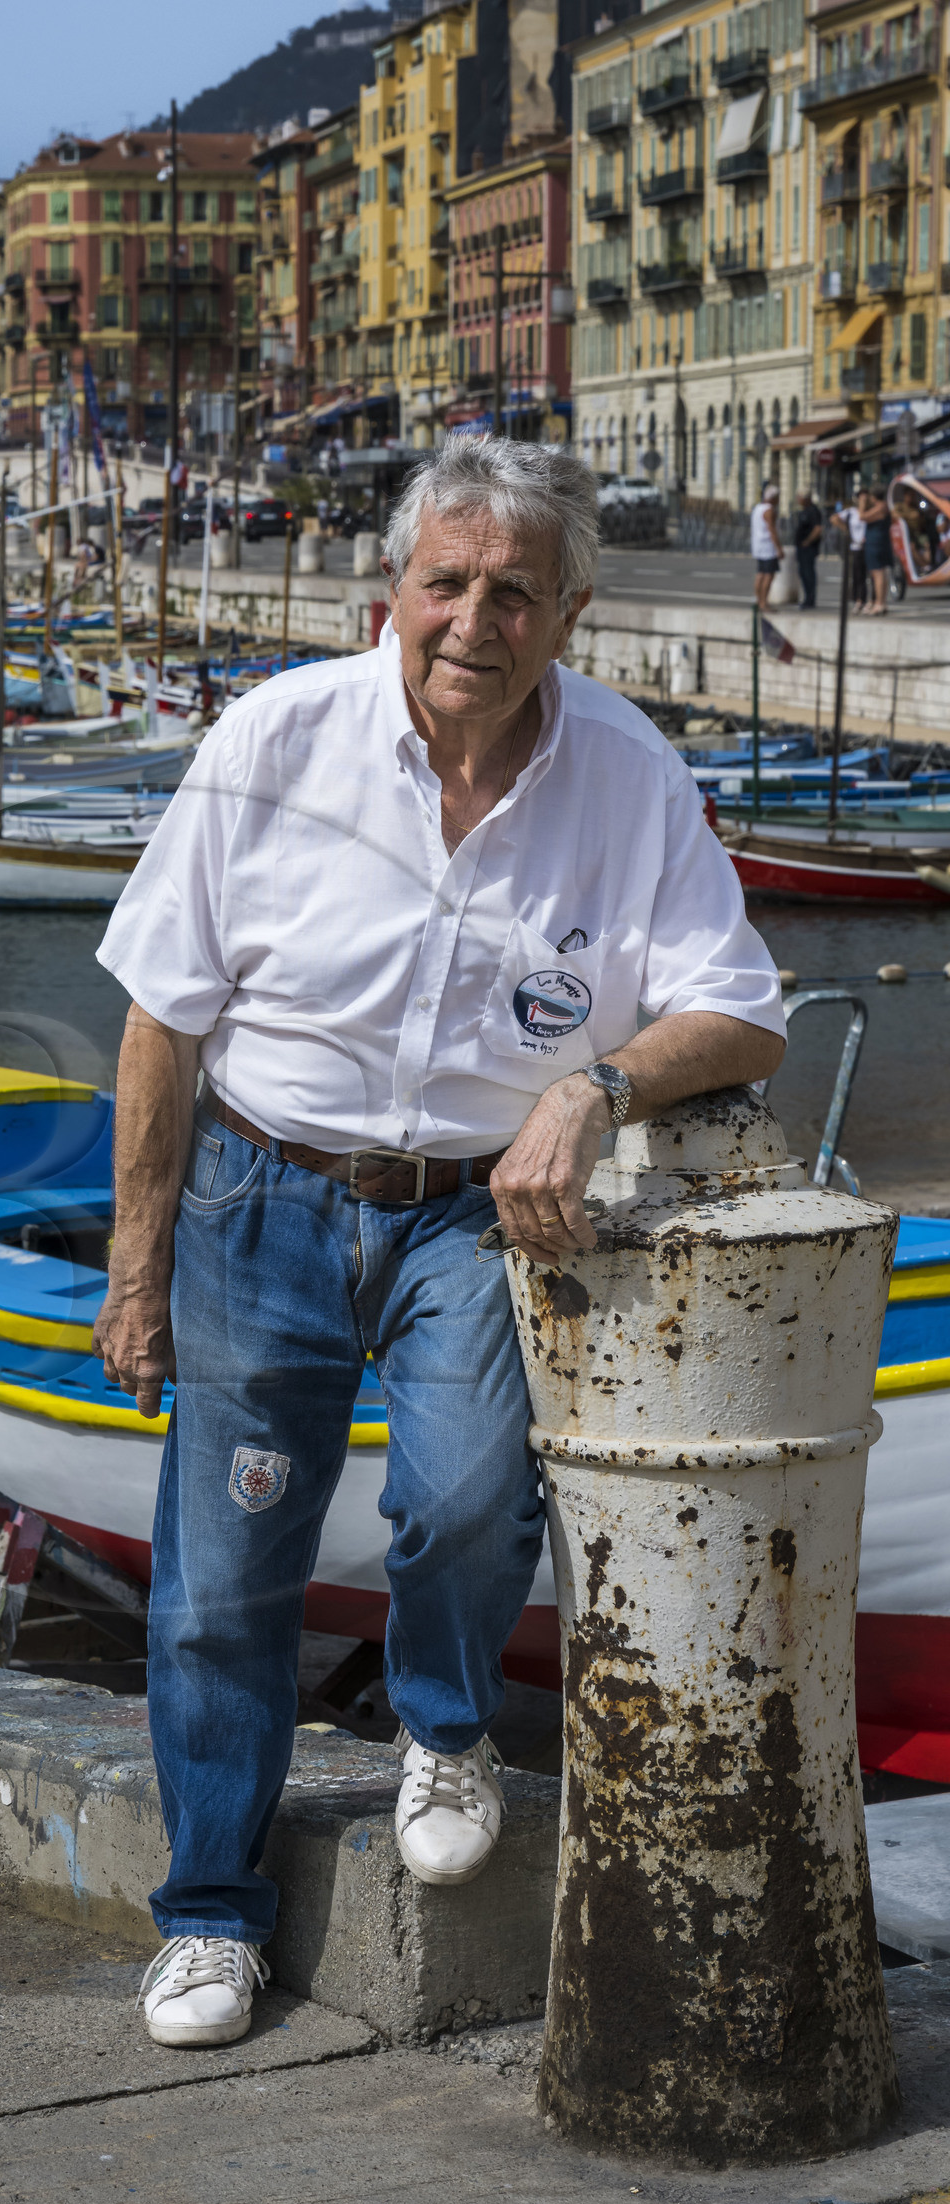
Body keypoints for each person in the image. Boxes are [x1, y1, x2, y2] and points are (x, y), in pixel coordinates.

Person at [94, 438, 788, 2050]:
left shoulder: (627, 773)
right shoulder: (273, 740)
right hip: (257, 1198)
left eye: (516, 591)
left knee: (476, 1494)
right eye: (448, 583)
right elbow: (157, 1027)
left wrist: (595, 1087)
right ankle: (208, 1912)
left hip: (482, 1209)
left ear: (571, 613)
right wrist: (136, 1274)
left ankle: (447, 1725)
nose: (478, 618)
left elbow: (739, 1010)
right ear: (391, 596)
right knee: (219, 1583)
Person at [860, 485, 893, 614]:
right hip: (879, 541)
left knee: (877, 573)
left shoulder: (880, 507)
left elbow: (862, 516)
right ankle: (881, 603)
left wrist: (862, 503)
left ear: (873, 497)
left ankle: (879, 603)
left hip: (876, 543)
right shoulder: (884, 507)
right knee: (880, 573)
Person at [750, 480, 783, 606]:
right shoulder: (769, 510)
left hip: (758, 546)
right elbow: (772, 531)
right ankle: (764, 602)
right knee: (769, 575)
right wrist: (779, 548)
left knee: (760, 573)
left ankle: (759, 601)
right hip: (768, 547)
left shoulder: (758, 508)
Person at [833, 494, 867, 609]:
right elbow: (834, 518)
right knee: (856, 574)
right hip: (855, 546)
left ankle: (864, 599)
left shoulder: (869, 511)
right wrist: (846, 530)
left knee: (865, 575)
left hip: (866, 546)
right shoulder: (851, 512)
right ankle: (857, 598)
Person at [793, 488, 824, 610]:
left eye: (800, 497)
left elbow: (817, 529)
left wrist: (808, 541)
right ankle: (807, 598)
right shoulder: (804, 511)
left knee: (808, 573)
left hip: (808, 548)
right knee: (803, 572)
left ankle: (810, 599)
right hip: (802, 548)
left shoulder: (813, 511)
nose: (798, 500)